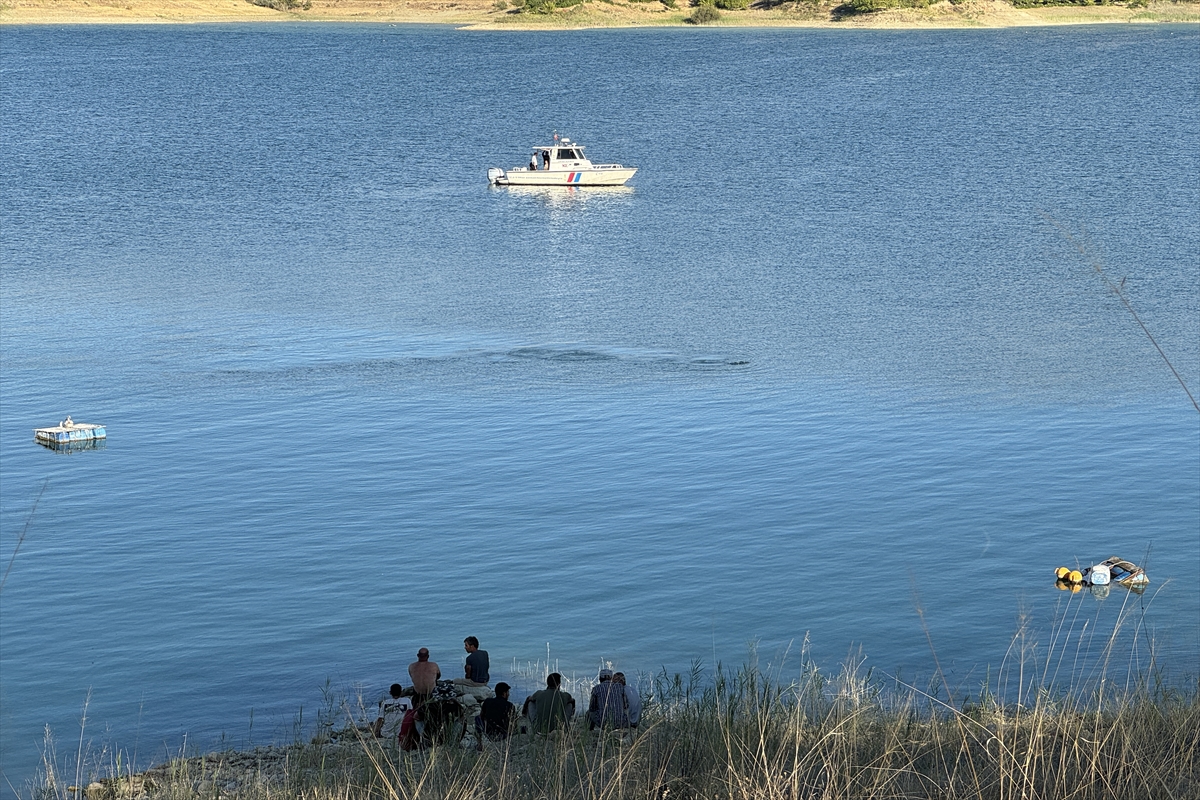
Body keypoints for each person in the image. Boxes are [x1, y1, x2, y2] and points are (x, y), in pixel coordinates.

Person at [474, 682, 517, 748]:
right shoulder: (510, 705)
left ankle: (479, 743)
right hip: (503, 735)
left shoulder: (487, 701)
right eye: (507, 692)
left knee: (477, 718)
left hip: (488, 733)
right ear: (504, 693)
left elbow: (481, 716)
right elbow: (513, 724)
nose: (508, 694)